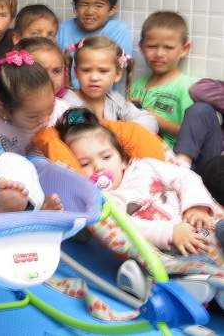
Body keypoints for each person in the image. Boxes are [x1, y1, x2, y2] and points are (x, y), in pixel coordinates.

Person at [57, 107, 221, 260]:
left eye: (106, 157)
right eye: (85, 164)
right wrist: (171, 233)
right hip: (174, 247)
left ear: (122, 160)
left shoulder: (144, 167)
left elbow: (185, 177)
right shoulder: (105, 201)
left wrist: (196, 206)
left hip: (202, 222)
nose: (99, 167)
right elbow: (128, 227)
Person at [0, 50, 71, 155]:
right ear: (2, 110)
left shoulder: (64, 114)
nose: (45, 120)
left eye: (50, 110)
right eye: (33, 116)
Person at [62, 36, 157, 132]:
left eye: (103, 71)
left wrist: (120, 129)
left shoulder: (115, 99)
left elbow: (151, 124)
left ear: (117, 74)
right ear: (76, 73)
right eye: (86, 70)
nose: (94, 78)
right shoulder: (68, 103)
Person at [56, 0, 134, 89]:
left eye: (99, 5)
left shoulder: (119, 30)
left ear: (112, 10)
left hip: (102, 98)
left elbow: (117, 69)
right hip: (65, 97)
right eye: (84, 4)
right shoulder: (63, 28)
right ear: (75, 8)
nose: (90, 11)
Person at [129, 11, 195, 149]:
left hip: (169, 159)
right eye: (152, 46)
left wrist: (157, 120)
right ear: (142, 47)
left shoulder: (186, 88)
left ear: (184, 49)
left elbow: (193, 134)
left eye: (168, 48)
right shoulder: (136, 86)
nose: (159, 54)